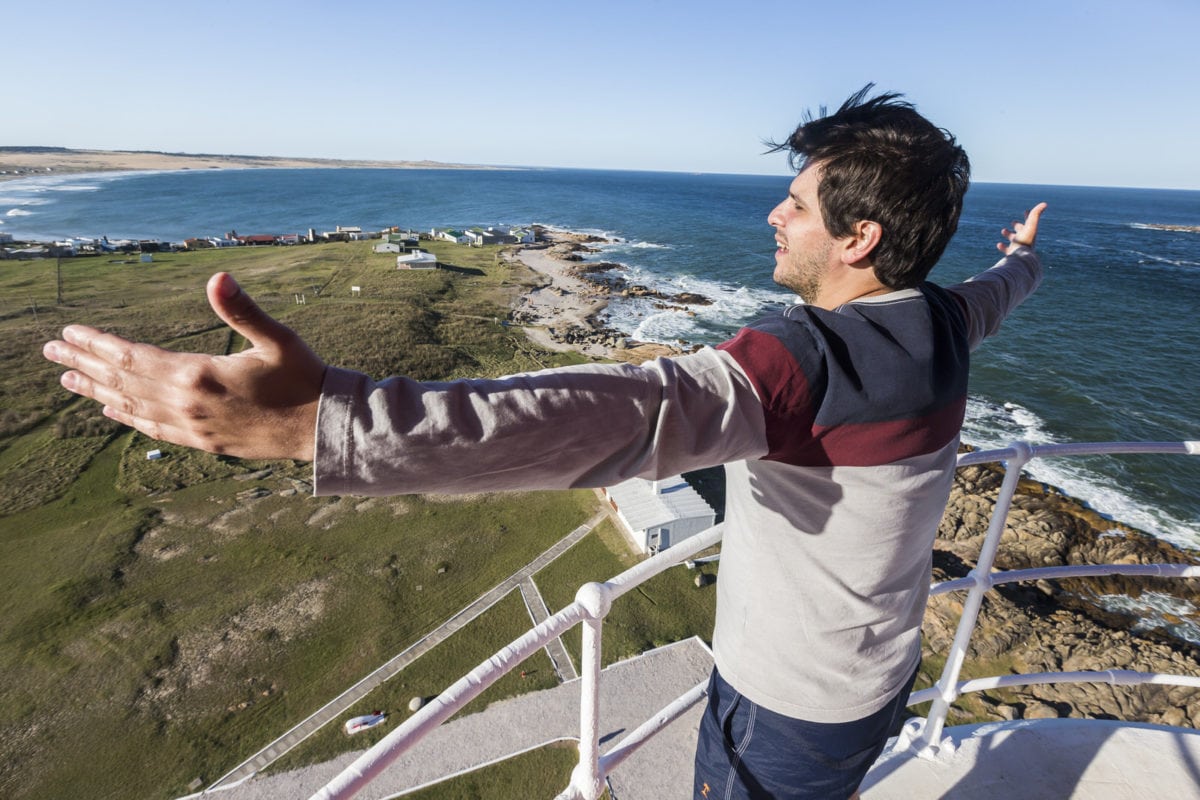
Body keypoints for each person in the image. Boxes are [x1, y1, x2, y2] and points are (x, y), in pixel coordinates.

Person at [43, 86, 1046, 799]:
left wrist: (325, 423)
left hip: (782, 709)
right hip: (879, 682)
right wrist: (1023, 259)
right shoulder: (944, 319)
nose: (773, 213)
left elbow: (617, 414)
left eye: (799, 202)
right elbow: (997, 294)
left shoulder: (802, 362)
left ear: (859, 238)